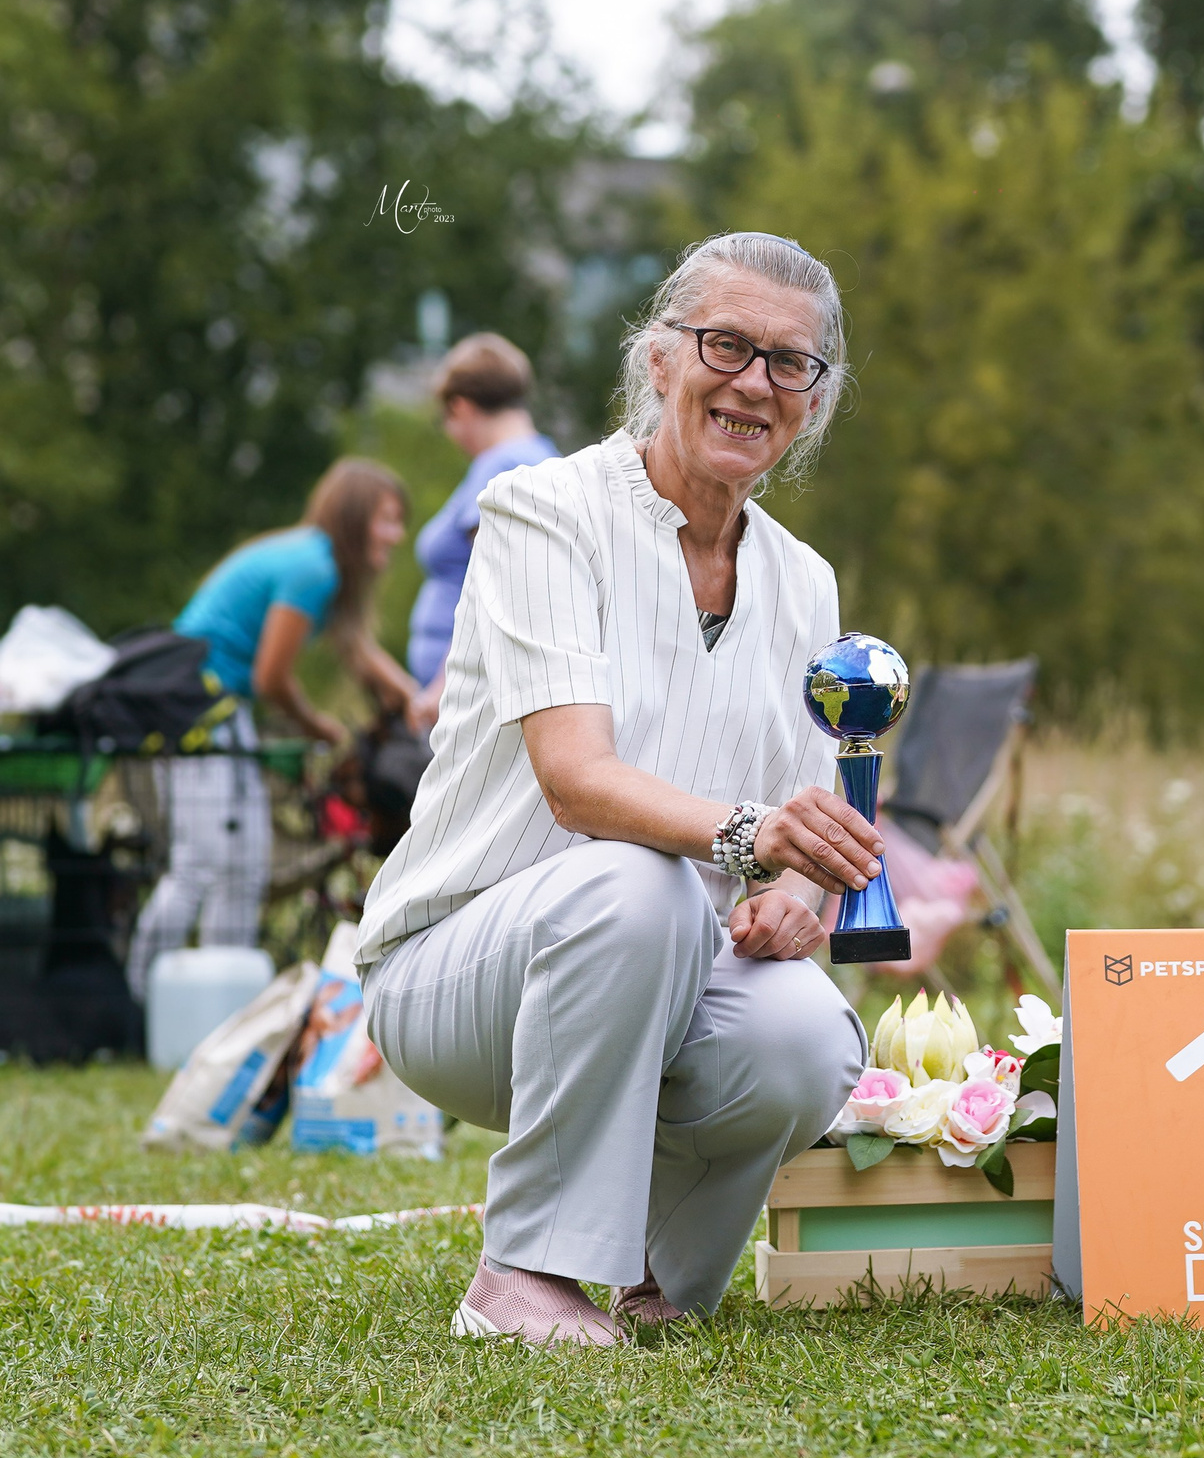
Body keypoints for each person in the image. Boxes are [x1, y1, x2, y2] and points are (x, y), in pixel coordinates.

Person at [354, 232, 879, 1345]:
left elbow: (798, 823)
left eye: (789, 363)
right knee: (634, 885)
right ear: (657, 360)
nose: (753, 383)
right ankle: (523, 1278)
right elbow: (577, 784)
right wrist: (754, 835)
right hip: (457, 975)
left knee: (811, 1039)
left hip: (660, 965)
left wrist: (803, 897)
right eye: (725, 345)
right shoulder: (544, 510)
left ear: (815, 399)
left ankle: (658, 1277)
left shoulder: (807, 582)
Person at [126, 460, 416, 997]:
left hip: (221, 715)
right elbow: (272, 678)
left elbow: (357, 647)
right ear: (355, 518)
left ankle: (224, 1008)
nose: (397, 535)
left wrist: (414, 699)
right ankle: (137, 1000)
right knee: (199, 864)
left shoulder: (318, 563)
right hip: (194, 712)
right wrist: (321, 727)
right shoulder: (313, 568)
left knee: (244, 866)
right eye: (387, 519)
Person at [404, 333, 558, 732]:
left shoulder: (501, 466)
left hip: (468, 695)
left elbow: (489, 585)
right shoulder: (544, 457)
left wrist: (440, 687)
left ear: (460, 407)